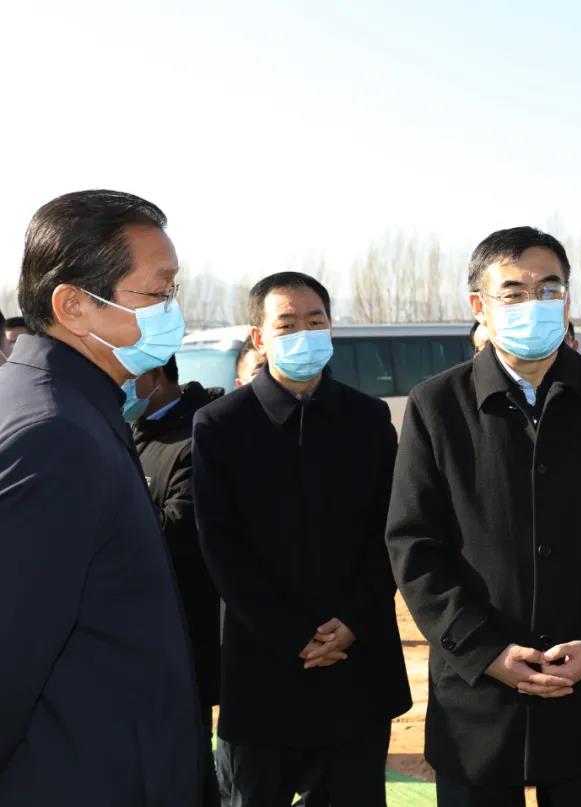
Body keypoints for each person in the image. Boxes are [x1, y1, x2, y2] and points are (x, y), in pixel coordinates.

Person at [386, 226, 581, 806]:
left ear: (568, 300)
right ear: (479, 306)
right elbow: (415, 546)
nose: (534, 304)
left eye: (549, 289)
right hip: (480, 702)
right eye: (514, 293)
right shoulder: (436, 405)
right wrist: (485, 651)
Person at [0, 189, 203, 805]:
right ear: (74, 306)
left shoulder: (72, 405)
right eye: (158, 292)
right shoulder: (53, 434)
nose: (172, 311)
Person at [192, 271, 411, 806]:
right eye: (287, 324)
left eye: (316, 322)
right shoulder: (221, 425)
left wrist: (353, 621)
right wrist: (293, 634)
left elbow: (390, 532)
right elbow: (222, 548)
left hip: (357, 667)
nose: (304, 335)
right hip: (263, 669)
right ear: (259, 336)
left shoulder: (368, 418)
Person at [130, 355, 223, 804]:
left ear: (155, 377)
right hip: (136, 634)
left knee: (185, 759)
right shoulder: (134, 431)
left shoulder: (197, 436)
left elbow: (179, 530)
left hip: (184, 630)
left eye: (129, 376)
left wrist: (113, 503)